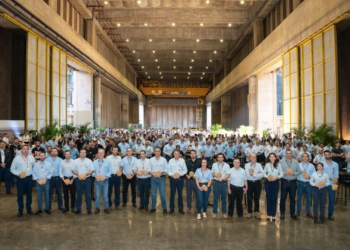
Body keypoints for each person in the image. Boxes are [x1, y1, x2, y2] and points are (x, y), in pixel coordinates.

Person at [10, 145, 36, 217]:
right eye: (24, 149)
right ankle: (20, 210)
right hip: (20, 179)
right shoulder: (16, 158)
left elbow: (34, 167)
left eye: (27, 149)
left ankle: (28, 209)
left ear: (28, 150)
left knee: (29, 194)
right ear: (21, 150)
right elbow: (12, 169)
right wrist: (18, 174)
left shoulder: (31, 158)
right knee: (20, 195)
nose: (25, 150)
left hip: (29, 178)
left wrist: (33, 175)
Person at [72, 149, 94, 215]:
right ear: (79, 153)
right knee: (78, 195)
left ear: (86, 154)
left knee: (88, 195)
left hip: (87, 180)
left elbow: (92, 170)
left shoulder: (89, 161)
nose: (82, 154)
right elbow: (73, 170)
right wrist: (78, 174)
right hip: (78, 180)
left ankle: (89, 209)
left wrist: (86, 174)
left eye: (84, 152)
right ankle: (78, 209)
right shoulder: (75, 161)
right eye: (81, 152)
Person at [279, 149, 300, 221]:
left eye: (290, 153)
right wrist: (284, 173)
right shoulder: (281, 161)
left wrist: (294, 173)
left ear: (292, 154)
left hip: (293, 182)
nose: (288, 154)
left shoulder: (296, 162)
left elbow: (299, 171)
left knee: (293, 199)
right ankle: (282, 213)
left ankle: (292, 213)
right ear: (285, 154)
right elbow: (279, 171)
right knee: (283, 198)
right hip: (284, 181)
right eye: (287, 153)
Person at [263, 153, 283, 222]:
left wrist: (276, 177)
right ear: (269, 158)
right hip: (268, 182)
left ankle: (273, 214)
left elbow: (281, 174)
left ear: (275, 158)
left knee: (274, 198)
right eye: (270, 157)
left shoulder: (279, 165)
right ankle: (268, 214)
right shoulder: (267, 165)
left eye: (273, 157)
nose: (272, 158)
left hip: (275, 183)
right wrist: (267, 177)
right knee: (268, 198)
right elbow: (264, 173)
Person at [167, 150, 188, 214]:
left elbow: (185, 170)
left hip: (180, 179)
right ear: (173, 154)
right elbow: (168, 170)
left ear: (179, 154)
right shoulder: (170, 161)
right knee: (172, 194)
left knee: (180, 194)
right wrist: (172, 175)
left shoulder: (182, 161)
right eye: (175, 153)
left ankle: (180, 208)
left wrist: (180, 174)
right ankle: (171, 208)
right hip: (172, 179)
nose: (176, 155)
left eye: (177, 154)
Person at [149, 147, 168, 214]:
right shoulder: (151, 160)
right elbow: (149, 169)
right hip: (153, 178)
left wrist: (161, 172)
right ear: (154, 152)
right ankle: (153, 207)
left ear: (160, 152)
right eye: (156, 151)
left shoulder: (164, 160)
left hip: (161, 178)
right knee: (153, 194)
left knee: (162, 194)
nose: (157, 152)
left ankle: (164, 208)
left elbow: (166, 169)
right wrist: (152, 173)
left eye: (158, 151)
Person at [211, 153, 230, 219]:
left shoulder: (227, 165)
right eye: (219, 157)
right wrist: (217, 176)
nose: (220, 158)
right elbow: (212, 173)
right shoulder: (214, 165)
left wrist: (222, 179)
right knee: (215, 198)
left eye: (221, 157)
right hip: (216, 182)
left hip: (224, 183)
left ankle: (224, 213)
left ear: (223, 158)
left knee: (224, 199)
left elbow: (228, 174)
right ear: (217, 158)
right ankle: (214, 212)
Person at [92, 149, 112, 214]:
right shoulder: (94, 162)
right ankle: (97, 208)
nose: (100, 154)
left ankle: (106, 208)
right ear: (97, 154)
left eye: (102, 153)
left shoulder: (108, 162)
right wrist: (95, 176)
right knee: (97, 196)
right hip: (97, 182)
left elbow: (110, 172)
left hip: (105, 181)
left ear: (104, 154)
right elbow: (92, 172)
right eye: (99, 153)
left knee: (105, 196)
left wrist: (106, 177)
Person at [244, 154, 263, 220]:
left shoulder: (259, 165)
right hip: (249, 183)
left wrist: (254, 174)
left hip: (257, 183)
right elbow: (247, 175)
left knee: (257, 198)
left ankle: (257, 211)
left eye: (255, 157)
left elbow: (262, 175)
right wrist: (257, 174)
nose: (254, 158)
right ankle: (249, 212)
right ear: (250, 158)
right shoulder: (246, 165)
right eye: (252, 157)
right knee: (249, 198)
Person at [296, 153, 315, 218]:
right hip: (300, 183)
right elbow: (295, 173)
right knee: (299, 198)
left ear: (308, 158)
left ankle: (308, 212)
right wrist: (300, 172)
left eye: (306, 156)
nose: (304, 158)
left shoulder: (312, 166)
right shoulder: (298, 165)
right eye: (303, 156)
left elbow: (314, 175)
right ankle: (298, 211)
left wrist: (310, 177)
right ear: (301, 158)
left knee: (308, 199)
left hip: (308, 184)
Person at [322, 150, 339, 221]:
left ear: (330, 155)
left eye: (328, 154)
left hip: (332, 185)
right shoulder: (321, 164)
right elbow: (321, 175)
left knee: (331, 200)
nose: (327, 156)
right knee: (322, 200)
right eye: (326, 154)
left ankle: (330, 214)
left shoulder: (335, 164)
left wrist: (336, 180)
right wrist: (331, 179)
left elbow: (336, 174)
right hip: (324, 184)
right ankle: (322, 214)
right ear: (324, 155)